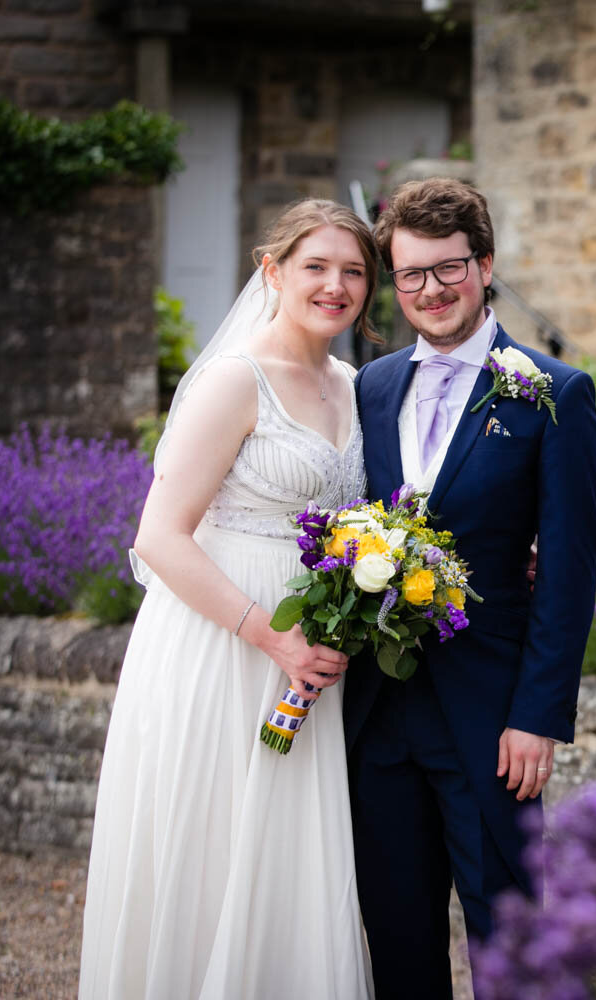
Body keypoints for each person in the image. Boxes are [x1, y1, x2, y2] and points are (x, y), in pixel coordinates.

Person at [79, 199, 379, 999]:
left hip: (310, 647)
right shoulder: (231, 381)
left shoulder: (353, 385)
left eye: (353, 271)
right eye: (315, 266)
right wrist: (270, 637)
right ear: (272, 272)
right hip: (224, 642)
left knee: (289, 847)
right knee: (216, 837)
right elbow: (159, 536)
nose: (336, 285)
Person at [343, 177, 596, 998]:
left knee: (509, 932)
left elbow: (567, 570)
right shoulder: (369, 389)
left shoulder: (554, 394)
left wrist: (538, 716)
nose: (430, 290)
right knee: (397, 936)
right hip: (378, 716)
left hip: (492, 719)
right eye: (411, 274)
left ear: (484, 265)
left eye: (448, 269)